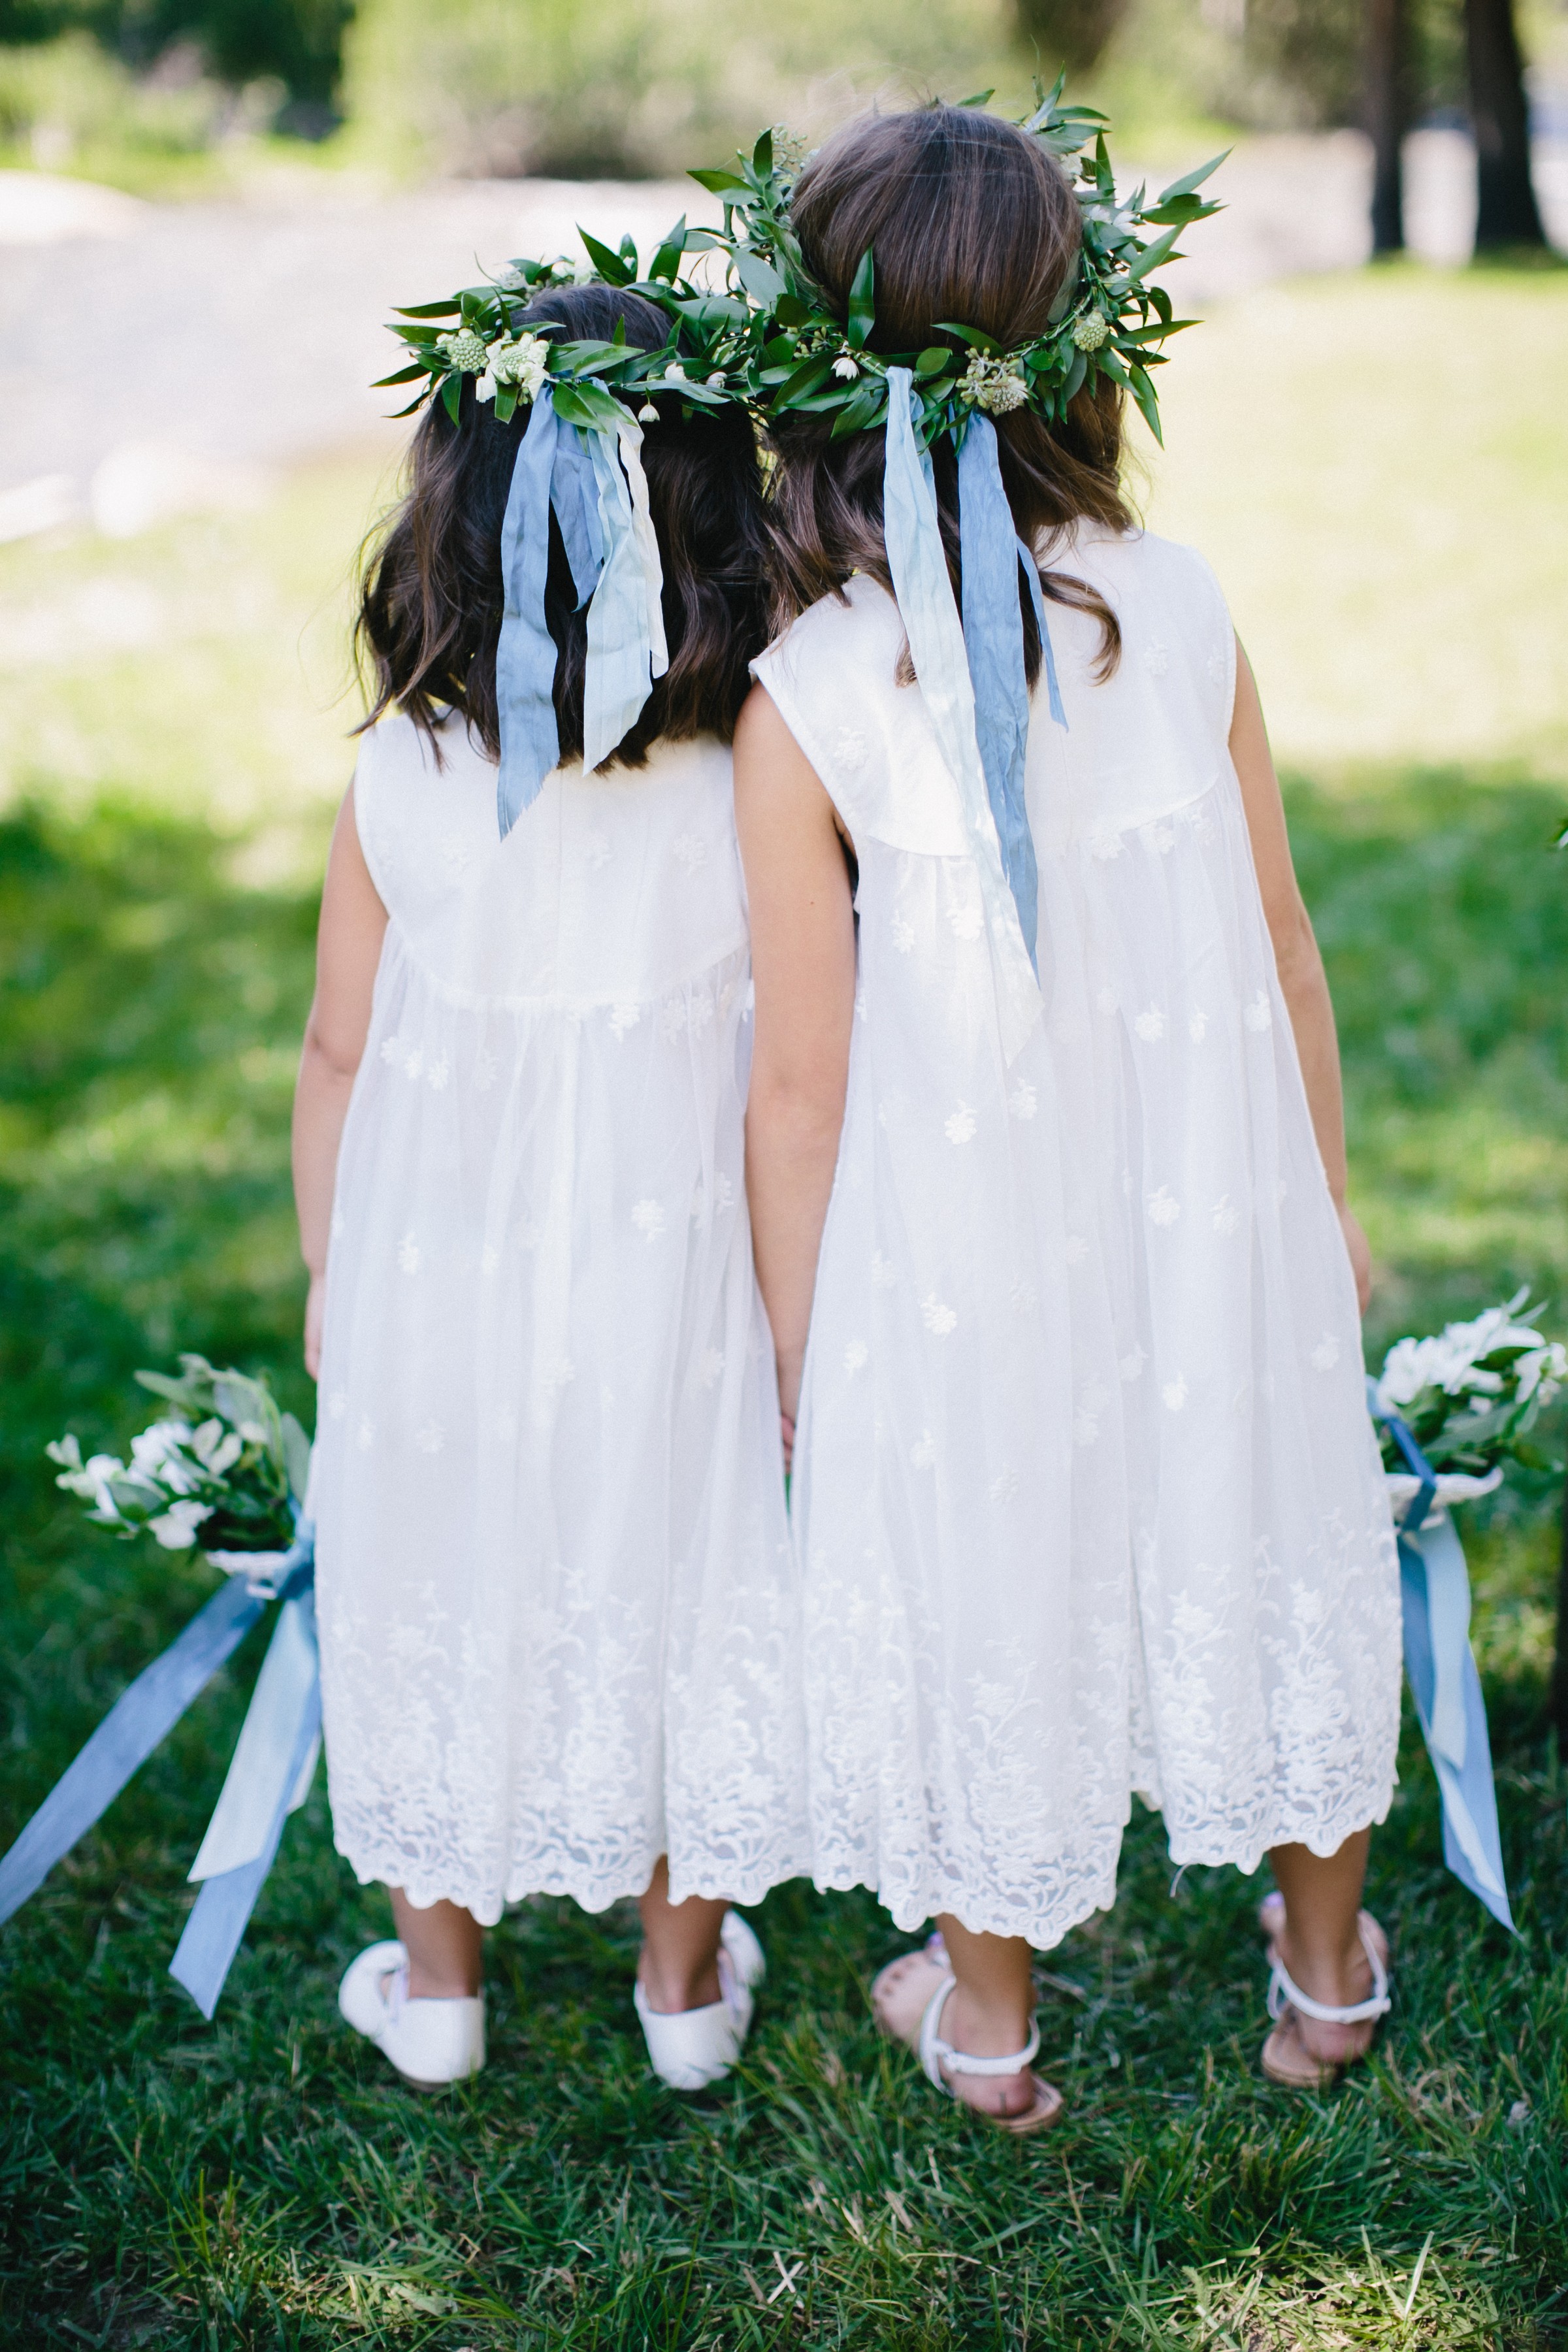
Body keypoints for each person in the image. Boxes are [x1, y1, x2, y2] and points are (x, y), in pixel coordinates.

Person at [735, 105, 1400, 2131]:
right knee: (1265, 1511)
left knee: (991, 1548)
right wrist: (1329, 1207)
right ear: (1085, 341)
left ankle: (992, 2019)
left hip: (967, 1245)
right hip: (1217, 1207)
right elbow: (1284, 940)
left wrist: (794, 1345)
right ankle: (1322, 1976)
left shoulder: (812, 693)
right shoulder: (1181, 605)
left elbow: (799, 1079)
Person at [293, 280, 804, 2093]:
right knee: (681, 1565)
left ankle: (442, 1990)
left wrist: (329, 1275)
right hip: (682, 1267)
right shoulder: (756, 761)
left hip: (442, 1258)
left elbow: (340, 1050)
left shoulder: (408, 765)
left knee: (441, 1566)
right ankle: (678, 1986)